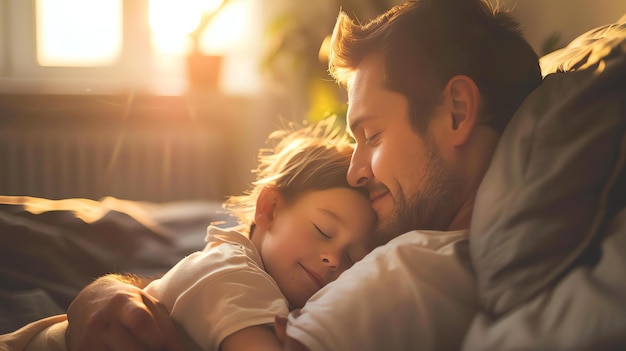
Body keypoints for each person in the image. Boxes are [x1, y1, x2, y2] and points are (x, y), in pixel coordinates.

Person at [61, 0, 544, 350]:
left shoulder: (415, 272)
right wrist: (110, 291)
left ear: (457, 111)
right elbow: (214, 290)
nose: (356, 171)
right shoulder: (414, 248)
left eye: (371, 135)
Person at [0, 118, 377, 351]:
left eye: (354, 259)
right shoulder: (236, 275)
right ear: (270, 209)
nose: (335, 260)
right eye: (323, 231)